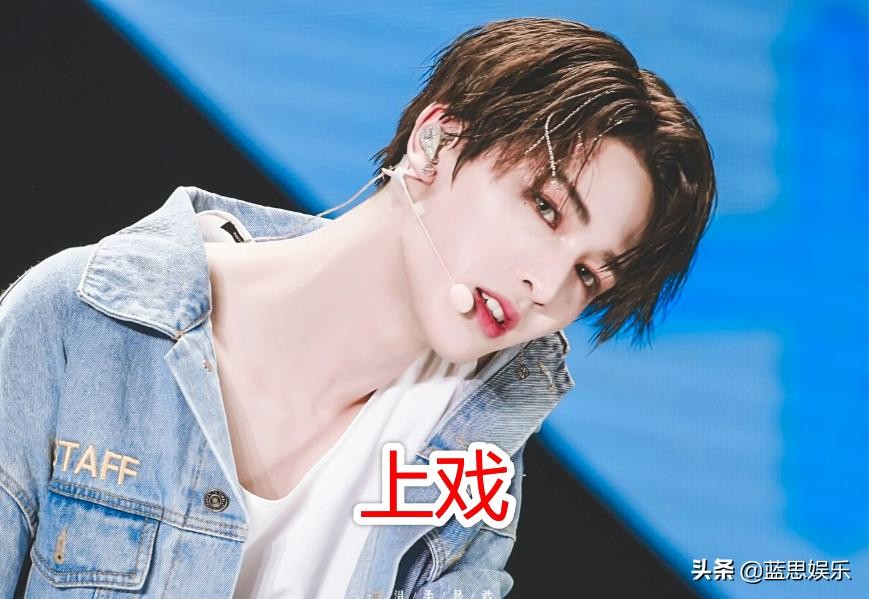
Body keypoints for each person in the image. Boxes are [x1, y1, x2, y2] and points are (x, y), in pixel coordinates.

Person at [0, 17, 715, 599]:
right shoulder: (86, 322)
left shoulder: (467, 457)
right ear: (436, 143)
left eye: (589, 274)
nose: (548, 286)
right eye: (545, 206)